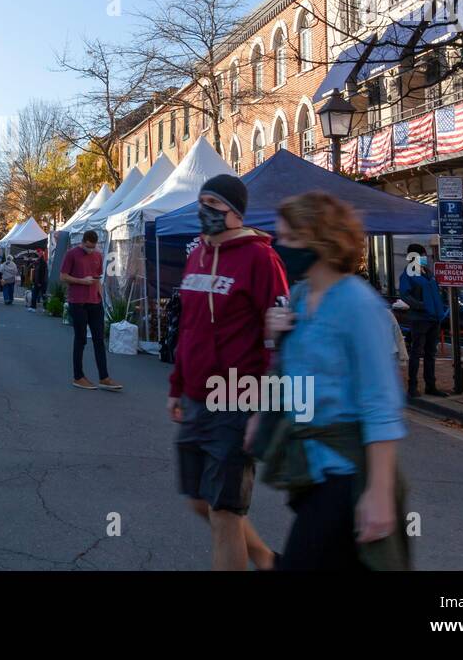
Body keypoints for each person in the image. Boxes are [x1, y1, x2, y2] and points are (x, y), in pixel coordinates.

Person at [260, 191, 409, 570]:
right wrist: (276, 340)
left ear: (321, 240)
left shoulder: (358, 304)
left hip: (347, 474)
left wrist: (378, 491)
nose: (282, 247)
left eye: (291, 239)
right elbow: (295, 377)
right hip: (310, 469)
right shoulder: (298, 297)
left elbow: (381, 403)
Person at [167, 173, 284, 572]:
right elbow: (189, 326)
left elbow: (277, 336)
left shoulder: (260, 258)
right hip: (197, 396)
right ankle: (267, 559)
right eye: (202, 203)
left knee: (224, 513)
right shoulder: (196, 254)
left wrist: (263, 406)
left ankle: (261, 560)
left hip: (236, 396)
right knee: (200, 499)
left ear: (234, 212)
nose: (205, 212)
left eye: (213, 205)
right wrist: (177, 385)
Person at [60, 230, 123, 392]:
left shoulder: (98, 255)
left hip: (95, 302)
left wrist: (102, 299)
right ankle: (78, 377)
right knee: (80, 339)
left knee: (99, 340)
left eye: (93, 247)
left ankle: (104, 377)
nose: (90, 249)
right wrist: (82, 281)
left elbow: (98, 280)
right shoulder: (71, 254)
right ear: (83, 241)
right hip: (78, 302)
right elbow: (63, 276)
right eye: (88, 247)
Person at [398, 243, 447, 399]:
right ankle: (412, 387)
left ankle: (430, 385)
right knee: (416, 352)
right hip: (419, 318)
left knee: (430, 353)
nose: (425, 258)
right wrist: (421, 306)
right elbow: (405, 294)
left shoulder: (427, 272)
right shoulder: (408, 274)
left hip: (433, 317)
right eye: (423, 255)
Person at [28, 247, 48, 311]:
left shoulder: (42, 262)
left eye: (39, 252)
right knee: (38, 294)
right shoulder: (38, 261)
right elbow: (34, 269)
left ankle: (43, 307)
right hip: (38, 281)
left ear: (42, 253)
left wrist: (39, 282)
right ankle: (34, 307)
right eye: (38, 252)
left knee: (42, 294)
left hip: (40, 281)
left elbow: (42, 273)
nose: (38, 253)